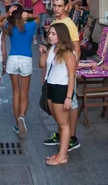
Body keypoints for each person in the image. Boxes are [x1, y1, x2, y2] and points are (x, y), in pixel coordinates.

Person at [43, 0, 82, 151]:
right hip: (56, 74)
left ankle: (72, 137)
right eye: (54, 5)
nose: (56, 9)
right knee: (60, 108)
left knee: (70, 104)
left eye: (60, 6)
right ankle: (61, 134)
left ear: (67, 6)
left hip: (66, 75)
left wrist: (70, 71)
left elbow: (77, 49)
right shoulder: (57, 21)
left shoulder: (69, 24)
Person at [38, 23, 77, 166]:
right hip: (51, 87)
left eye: (53, 34)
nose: (50, 36)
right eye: (50, 33)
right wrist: (43, 53)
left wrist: (68, 97)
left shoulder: (69, 53)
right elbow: (42, 65)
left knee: (64, 124)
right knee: (59, 122)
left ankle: (63, 156)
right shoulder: (52, 49)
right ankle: (61, 152)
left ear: (61, 35)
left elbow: (72, 76)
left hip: (62, 89)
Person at [4, 4, 39, 138]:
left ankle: (17, 125)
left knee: (16, 92)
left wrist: (7, 14)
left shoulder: (10, 27)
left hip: (12, 59)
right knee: (24, 93)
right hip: (26, 59)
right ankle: (22, 116)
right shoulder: (30, 26)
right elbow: (38, 19)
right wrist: (29, 15)